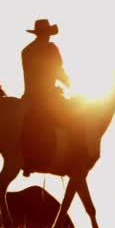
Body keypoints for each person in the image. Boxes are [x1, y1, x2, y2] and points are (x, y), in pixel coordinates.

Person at [20, 19, 82, 176]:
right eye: (47, 34)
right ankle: (73, 156)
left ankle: (29, 158)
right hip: (47, 96)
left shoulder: (26, 51)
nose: (49, 37)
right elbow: (57, 70)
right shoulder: (51, 49)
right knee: (72, 118)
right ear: (46, 34)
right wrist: (67, 81)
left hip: (29, 96)